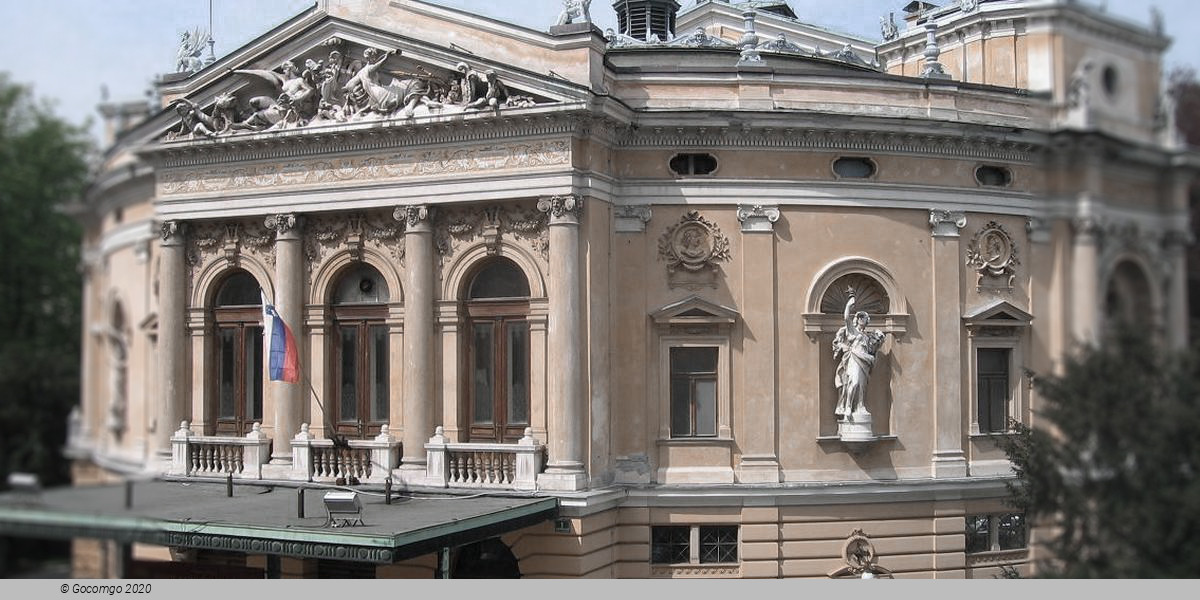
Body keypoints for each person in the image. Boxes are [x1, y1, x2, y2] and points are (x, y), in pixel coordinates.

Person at [833, 290, 886, 421]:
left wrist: (879, 339)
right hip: (853, 359)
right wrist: (849, 305)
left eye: (865, 318)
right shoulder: (852, 331)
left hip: (864, 362)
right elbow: (846, 318)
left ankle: (860, 406)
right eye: (861, 317)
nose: (863, 320)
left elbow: (872, 349)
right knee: (854, 382)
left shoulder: (866, 337)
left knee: (862, 387)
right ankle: (848, 407)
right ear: (857, 319)